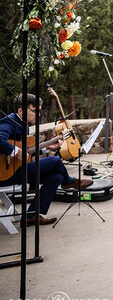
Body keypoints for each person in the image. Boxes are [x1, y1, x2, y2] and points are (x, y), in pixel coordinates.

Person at [0, 94, 92, 225]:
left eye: (39, 110)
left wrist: (46, 148)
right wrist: (15, 151)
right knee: (55, 161)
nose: (37, 114)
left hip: (17, 169)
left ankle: (31, 216)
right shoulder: (9, 122)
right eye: (34, 110)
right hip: (5, 175)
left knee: (55, 178)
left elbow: (27, 153)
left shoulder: (23, 124)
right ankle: (68, 182)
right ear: (21, 110)